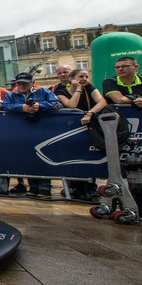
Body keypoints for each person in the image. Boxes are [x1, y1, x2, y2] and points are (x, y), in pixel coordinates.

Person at [2, 72, 61, 198]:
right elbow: (5, 106)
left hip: (41, 131)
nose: (22, 85)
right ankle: (33, 186)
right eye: (19, 83)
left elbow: (57, 104)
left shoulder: (44, 92)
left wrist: (40, 106)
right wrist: (21, 107)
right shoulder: (11, 94)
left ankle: (45, 187)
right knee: (28, 157)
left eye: (25, 83)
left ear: (33, 82)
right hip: (20, 132)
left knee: (42, 156)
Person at [55, 68, 106, 200]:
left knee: (89, 155)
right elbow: (71, 105)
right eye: (80, 76)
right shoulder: (61, 90)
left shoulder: (90, 88)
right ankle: (75, 187)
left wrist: (90, 113)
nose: (84, 79)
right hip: (69, 128)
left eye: (86, 76)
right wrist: (77, 89)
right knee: (73, 156)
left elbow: (102, 102)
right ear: (71, 79)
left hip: (88, 125)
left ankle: (90, 186)